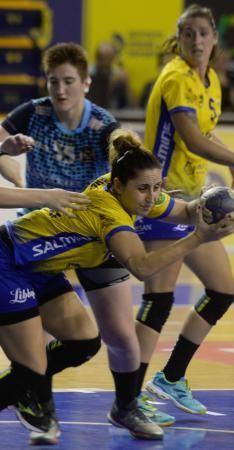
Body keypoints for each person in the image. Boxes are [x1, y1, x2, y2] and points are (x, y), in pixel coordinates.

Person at [0, 128, 234, 444]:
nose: (152, 197)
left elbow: (181, 209)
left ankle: (32, 387)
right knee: (31, 370)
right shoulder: (110, 211)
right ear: (119, 186)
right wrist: (197, 238)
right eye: (144, 189)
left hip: (41, 268)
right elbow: (140, 267)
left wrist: (205, 205)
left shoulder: (131, 191)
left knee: (84, 342)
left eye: (157, 188)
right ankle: (26, 387)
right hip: (9, 262)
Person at [133, 3, 234, 419]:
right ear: (180, 39)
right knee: (159, 300)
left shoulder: (210, 81)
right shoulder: (176, 78)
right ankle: (129, 394)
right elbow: (189, 136)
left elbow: (206, 131)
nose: (198, 41)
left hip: (192, 201)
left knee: (222, 290)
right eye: (190, 34)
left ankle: (170, 378)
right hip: (162, 200)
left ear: (215, 38)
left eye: (204, 33)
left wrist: (231, 162)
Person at [0, 42, 172, 428]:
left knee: (117, 336)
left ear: (86, 83)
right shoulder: (33, 112)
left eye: (69, 82)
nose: (61, 90)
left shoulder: (101, 123)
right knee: (36, 339)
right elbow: (1, 147)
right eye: (53, 81)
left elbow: (122, 147)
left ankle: (126, 405)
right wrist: (7, 158)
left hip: (100, 234)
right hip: (44, 233)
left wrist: (130, 151)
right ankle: (37, 403)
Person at [87, 42, 134, 109]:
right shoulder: (88, 73)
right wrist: (110, 83)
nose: (108, 61)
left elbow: (130, 104)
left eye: (110, 57)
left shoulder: (117, 74)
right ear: (97, 58)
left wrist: (127, 84)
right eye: (105, 57)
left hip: (114, 112)